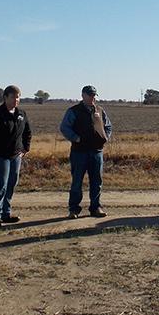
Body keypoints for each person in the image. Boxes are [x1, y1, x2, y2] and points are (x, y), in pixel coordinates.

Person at [0, 85, 32, 227]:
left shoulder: (21, 114)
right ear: (5, 98)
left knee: (11, 184)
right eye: (13, 97)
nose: (16, 100)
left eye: (18, 97)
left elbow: (27, 132)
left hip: (15, 156)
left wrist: (24, 149)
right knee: (0, 185)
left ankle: (6, 213)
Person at [60, 85, 112, 219]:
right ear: (83, 95)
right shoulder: (74, 111)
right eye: (90, 95)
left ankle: (96, 207)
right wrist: (76, 138)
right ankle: (74, 209)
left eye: (94, 95)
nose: (92, 98)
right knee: (77, 181)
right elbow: (65, 127)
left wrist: (104, 138)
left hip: (96, 152)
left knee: (96, 181)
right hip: (79, 152)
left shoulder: (100, 110)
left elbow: (108, 126)